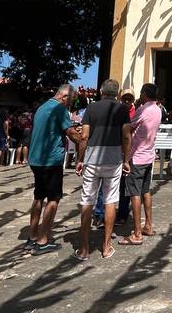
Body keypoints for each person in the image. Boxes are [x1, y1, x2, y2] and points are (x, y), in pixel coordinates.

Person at [74, 79, 131, 260]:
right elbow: (126, 135)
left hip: (92, 158)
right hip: (113, 160)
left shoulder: (91, 109)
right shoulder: (122, 109)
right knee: (110, 201)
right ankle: (106, 247)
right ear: (118, 93)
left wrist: (80, 159)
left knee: (87, 200)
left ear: (101, 91)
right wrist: (126, 159)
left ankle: (83, 249)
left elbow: (84, 136)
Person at [25, 85, 80, 255]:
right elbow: (71, 133)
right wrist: (84, 138)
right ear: (65, 97)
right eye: (71, 100)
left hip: (36, 158)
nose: (71, 104)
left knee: (38, 196)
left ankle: (32, 235)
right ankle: (42, 241)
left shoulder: (42, 107)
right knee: (53, 199)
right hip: (51, 159)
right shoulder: (60, 108)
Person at [120, 82, 161, 246]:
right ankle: (148, 225)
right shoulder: (157, 109)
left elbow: (128, 129)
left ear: (144, 94)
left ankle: (137, 233)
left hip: (137, 157)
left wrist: (125, 158)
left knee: (134, 194)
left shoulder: (143, 110)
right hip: (149, 155)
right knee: (146, 191)